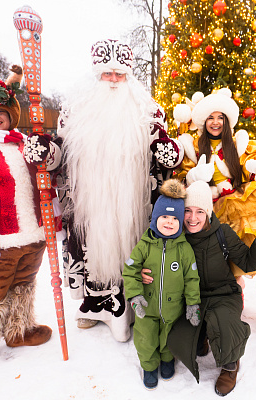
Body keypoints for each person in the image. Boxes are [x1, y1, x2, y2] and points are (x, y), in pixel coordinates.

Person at [56, 39, 184, 341]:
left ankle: (127, 306)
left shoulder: (147, 110)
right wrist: (46, 151)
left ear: (129, 75)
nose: (113, 80)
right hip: (90, 200)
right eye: (107, 74)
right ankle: (96, 303)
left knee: (131, 247)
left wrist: (169, 152)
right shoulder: (74, 110)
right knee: (93, 247)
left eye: (120, 74)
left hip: (131, 200)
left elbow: (164, 147)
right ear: (96, 75)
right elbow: (59, 151)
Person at [172, 88, 256, 336]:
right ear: (203, 121)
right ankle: (231, 302)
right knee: (222, 262)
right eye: (210, 117)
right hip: (211, 207)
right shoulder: (194, 146)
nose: (216, 122)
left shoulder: (241, 144)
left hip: (243, 202)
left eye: (220, 117)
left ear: (227, 120)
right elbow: (181, 178)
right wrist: (195, 176)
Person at [142, 179, 256, 396]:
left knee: (224, 324)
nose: (193, 218)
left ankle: (230, 366)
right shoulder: (175, 235)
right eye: (188, 211)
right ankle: (201, 335)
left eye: (200, 212)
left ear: (208, 213)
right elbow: (155, 257)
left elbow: (248, 263)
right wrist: (142, 272)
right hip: (192, 298)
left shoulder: (222, 233)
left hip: (223, 294)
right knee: (177, 337)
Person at [0, 66, 61, 371]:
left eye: (1, 111)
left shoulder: (23, 142)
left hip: (32, 235)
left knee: (24, 283)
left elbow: (47, 174)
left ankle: (18, 330)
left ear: (11, 115)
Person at [122, 179, 200, 390]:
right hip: (146, 308)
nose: (169, 222)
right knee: (146, 339)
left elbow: (192, 279)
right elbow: (130, 270)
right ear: (155, 218)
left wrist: (193, 304)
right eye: (164, 217)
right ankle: (148, 366)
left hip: (173, 308)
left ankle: (167, 360)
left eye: (174, 218)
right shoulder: (144, 245)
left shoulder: (184, 249)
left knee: (168, 337)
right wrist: (135, 296)